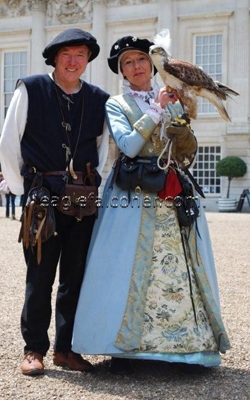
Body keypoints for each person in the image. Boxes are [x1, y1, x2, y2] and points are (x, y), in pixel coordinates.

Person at [72, 35, 230, 374]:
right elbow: (128, 146)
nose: (136, 66)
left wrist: (180, 128)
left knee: (177, 268)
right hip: (131, 194)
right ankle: (126, 349)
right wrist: (156, 111)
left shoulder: (172, 95)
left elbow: (187, 151)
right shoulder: (117, 104)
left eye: (140, 59)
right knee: (124, 268)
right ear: (122, 72)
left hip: (171, 192)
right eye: (127, 63)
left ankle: (185, 349)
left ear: (152, 63)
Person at [0, 28, 109, 376]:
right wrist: (20, 186)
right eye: (67, 54)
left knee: (75, 277)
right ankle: (34, 348)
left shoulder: (99, 98)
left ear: (88, 60)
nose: (74, 61)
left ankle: (66, 349)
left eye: (80, 54)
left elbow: (104, 150)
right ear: (54, 58)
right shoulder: (30, 88)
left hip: (82, 199)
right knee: (40, 275)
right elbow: (8, 140)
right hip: (42, 197)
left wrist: (97, 187)